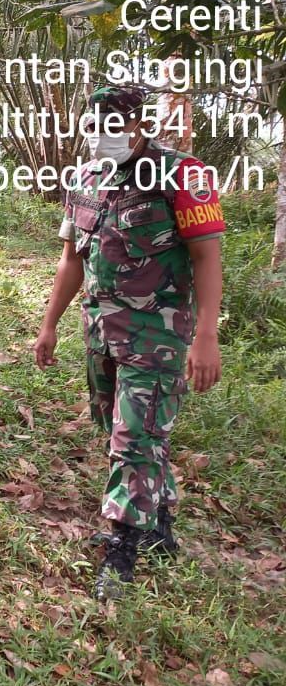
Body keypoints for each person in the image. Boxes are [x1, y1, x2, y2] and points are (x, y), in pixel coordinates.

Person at [34, 85, 223, 600]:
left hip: (158, 335)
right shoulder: (86, 177)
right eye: (94, 128)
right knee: (125, 431)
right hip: (101, 332)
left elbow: (207, 258)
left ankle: (122, 545)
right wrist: (49, 324)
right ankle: (159, 520)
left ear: (138, 124)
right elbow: (72, 259)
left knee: (134, 437)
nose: (102, 138)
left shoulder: (183, 173)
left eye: (112, 128)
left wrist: (206, 336)